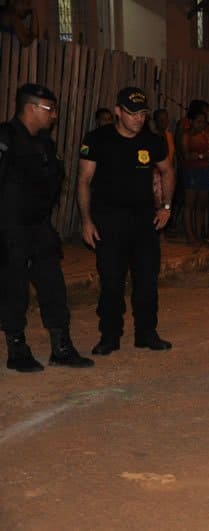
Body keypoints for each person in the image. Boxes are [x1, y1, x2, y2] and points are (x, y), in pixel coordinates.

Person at [0, 83, 94, 372]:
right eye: (49, 109)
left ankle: (61, 347)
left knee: (53, 285)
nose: (54, 116)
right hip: (10, 228)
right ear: (30, 108)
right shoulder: (6, 137)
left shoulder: (44, 143)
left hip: (40, 227)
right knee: (14, 290)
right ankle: (17, 349)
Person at [77, 87, 176, 355]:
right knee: (111, 281)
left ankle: (146, 333)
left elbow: (167, 171)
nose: (138, 119)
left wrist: (166, 206)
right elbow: (84, 181)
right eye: (132, 114)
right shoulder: (98, 139)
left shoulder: (152, 141)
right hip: (108, 221)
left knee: (147, 280)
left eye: (142, 113)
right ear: (118, 112)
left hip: (144, 221)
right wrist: (86, 221)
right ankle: (110, 335)